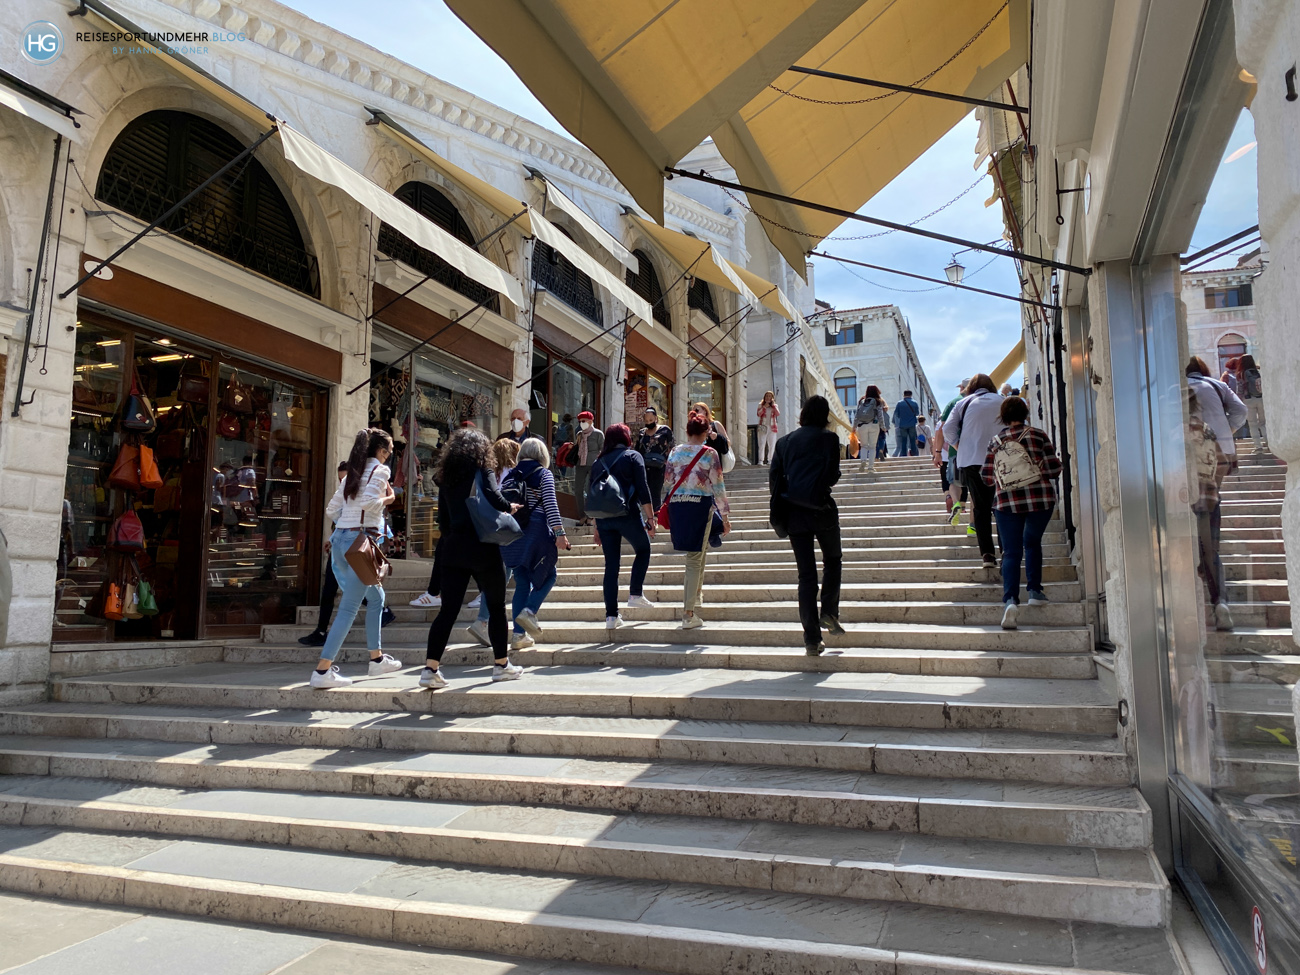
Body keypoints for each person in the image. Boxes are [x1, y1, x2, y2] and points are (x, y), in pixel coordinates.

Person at [420, 428, 524, 688]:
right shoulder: (482, 470)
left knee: (447, 612)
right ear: (482, 450)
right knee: (497, 607)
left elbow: (442, 519)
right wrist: (508, 507)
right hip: (481, 546)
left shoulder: (445, 477)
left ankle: (430, 669)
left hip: (452, 547)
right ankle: (501, 664)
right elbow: (492, 495)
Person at [308, 429, 404, 688]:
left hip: (341, 541)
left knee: (376, 598)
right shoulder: (380, 471)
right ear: (381, 451)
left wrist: (347, 525)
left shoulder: (354, 472)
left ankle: (377, 659)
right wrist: (390, 497)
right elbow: (370, 503)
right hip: (360, 545)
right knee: (349, 608)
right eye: (390, 451)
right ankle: (322, 671)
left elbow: (331, 510)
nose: (390, 456)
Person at [980, 396, 1063, 630]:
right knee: (1033, 543)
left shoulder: (995, 441)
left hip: (1007, 504)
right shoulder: (1038, 435)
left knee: (1011, 552)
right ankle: (1035, 590)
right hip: (1040, 500)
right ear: (1026, 413)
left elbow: (986, 477)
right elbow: (1054, 469)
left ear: (1003, 417)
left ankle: (1010, 601)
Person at [770, 395, 843, 655]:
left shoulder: (784, 442)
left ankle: (811, 639)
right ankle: (829, 613)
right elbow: (832, 475)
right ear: (824, 416)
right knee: (833, 560)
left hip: (794, 514)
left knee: (806, 576)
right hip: (822, 509)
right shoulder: (829, 439)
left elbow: (775, 480)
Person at [300, 462, 396, 646]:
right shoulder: (347, 496)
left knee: (351, 590)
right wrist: (333, 537)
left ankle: (327, 640)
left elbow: (371, 521)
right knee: (332, 589)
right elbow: (337, 516)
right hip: (342, 543)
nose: (342, 482)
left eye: (344, 479)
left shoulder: (364, 493)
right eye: (340, 479)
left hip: (356, 546)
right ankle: (322, 632)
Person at [500, 438, 571, 650]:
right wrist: (560, 533)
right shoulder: (544, 473)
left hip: (513, 532)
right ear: (542, 455)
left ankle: (518, 636)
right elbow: (550, 503)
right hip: (537, 530)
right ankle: (530, 611)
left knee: (522, 581)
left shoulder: (510, 475)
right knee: (550, 574)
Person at [662, 413, 731, 629]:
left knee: (699, 552)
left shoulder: (675, 451)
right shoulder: (709, 453)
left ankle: (696, 595)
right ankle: (688, 613)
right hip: (700, 506)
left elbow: (667, 483)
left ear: (687, 431)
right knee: (694, 557)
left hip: (679, 505)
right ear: (704, 433)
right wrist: (726, 516)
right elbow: (718, 486)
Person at [591, 423, 657, 628]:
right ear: (626, 438)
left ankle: (611, 617)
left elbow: (593, 495)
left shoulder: (598, 461)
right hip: (627, 514)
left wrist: (595, 526)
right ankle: (635, 592)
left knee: (611, 567)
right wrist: (651, 518)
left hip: (603, 518)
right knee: (643, 549)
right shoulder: (633, 456)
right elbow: (643, 488)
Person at [944, 374, 1006, 568]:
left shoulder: (964, 403)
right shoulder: (1002, 400)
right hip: (1001, 458)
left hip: (972, 459)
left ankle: (987, 554)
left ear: (970, 388)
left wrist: (958, 444)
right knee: (1002, 506)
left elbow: (947, 429)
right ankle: (1006, 551)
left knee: (980, 507)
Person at [464, 438, 521, 645]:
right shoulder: (510, 472)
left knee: (501, 573)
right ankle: (483, 621)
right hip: (504, 526)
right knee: (506, 572)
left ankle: (483, 620)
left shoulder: (488, 472)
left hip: (487, 527)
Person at [1186, 387, 1233, 630]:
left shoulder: (1174, 433)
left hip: (1185, 502)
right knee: (1211, 553)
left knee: (1183, 555)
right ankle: (1220, 602)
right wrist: (1213, 486)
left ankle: (1190, 614)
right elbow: (1223, 462)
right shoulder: (1206, 429)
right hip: (1210, 499)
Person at [1187, 357, 1247, 472]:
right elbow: (1241, 410)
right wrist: (1228, 430)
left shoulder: (1178, 386)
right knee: (1214, 487)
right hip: (1221, 447)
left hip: (1192, 448)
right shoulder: (1219, 385)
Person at [935, 380, 971, 526]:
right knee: (972, 483)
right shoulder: (978, 401)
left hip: (954, 451)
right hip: (976, 450)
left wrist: (937, 452)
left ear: (962, 388)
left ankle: (956, 502)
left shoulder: (953, 403)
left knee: (953, 481)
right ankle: (973, 523)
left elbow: (943, 429)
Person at [636, 407, 675, 508]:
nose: (649, 422)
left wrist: (670, 464)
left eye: (651, 420)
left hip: (659, 467)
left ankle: (656, 518)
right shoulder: (642, 433)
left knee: (656, 493)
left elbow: (672, 447)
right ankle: (649, 517)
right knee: (645, 493)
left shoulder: (665, 430)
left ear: (656, 419)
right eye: (646, 420)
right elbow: (637, 449)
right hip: (645, 466)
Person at [572, 411, 604, 526]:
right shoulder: (579, 434)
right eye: (580, 421)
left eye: (584, 421)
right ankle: (582, 516)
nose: (581, 423)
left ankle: (590, 516)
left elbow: (602, 449)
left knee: (591, 489)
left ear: (591, 421)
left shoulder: (598, 434)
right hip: (580, 464)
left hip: (593, 464)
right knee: (578, 490)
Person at [1235, 354, 1267, 454]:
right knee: (1263, 423)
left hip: (1248, 400)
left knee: (1252, 424)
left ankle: (1258, 447)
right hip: (1261, 399)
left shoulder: (1241, 373)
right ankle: (1269, 443)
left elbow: (1240, 389)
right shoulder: (1258, 371)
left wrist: (1238, 402)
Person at [853, 386, 889, 473]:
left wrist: (854, 427)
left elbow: (857, 415)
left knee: (864, 446)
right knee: (872, 447)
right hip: (874, 425)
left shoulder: (862, 401)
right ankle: (870, 467)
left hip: (862, 425)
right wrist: (883, 427)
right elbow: (880, 415)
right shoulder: (878, 401)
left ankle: (863, 461)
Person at [692, 402, 731, 467]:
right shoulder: (693, 428)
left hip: (714, 463)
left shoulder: (715, 424)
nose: (695, 413)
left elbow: (728, 443)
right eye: (693, 412)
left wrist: (717, 437)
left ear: (705, 411)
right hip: (699, 463)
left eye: (697, 410)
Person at [892, 390, 921, 457]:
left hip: (902, 424)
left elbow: (897, 414)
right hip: (912, 424)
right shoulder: (915, 403)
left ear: (904, 395)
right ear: (911, 395)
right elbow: (917, 413)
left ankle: (903, 454)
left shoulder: (899, 403)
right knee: (912, 440)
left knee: (904, 440)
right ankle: (914, 454)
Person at [757, 391, 780, 464]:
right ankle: (761, 460)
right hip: (763, 426)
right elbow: (758, 414)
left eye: (770, 396)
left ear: (772, 398)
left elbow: (778, 414)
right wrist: (764, 407)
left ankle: (770, 460)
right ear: (764, 397)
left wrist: (773, 406)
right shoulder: (761, 405)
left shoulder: (775, 406)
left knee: (772, 444)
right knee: (762, 443)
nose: (768, 397)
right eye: (767, 396)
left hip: (772, 426)